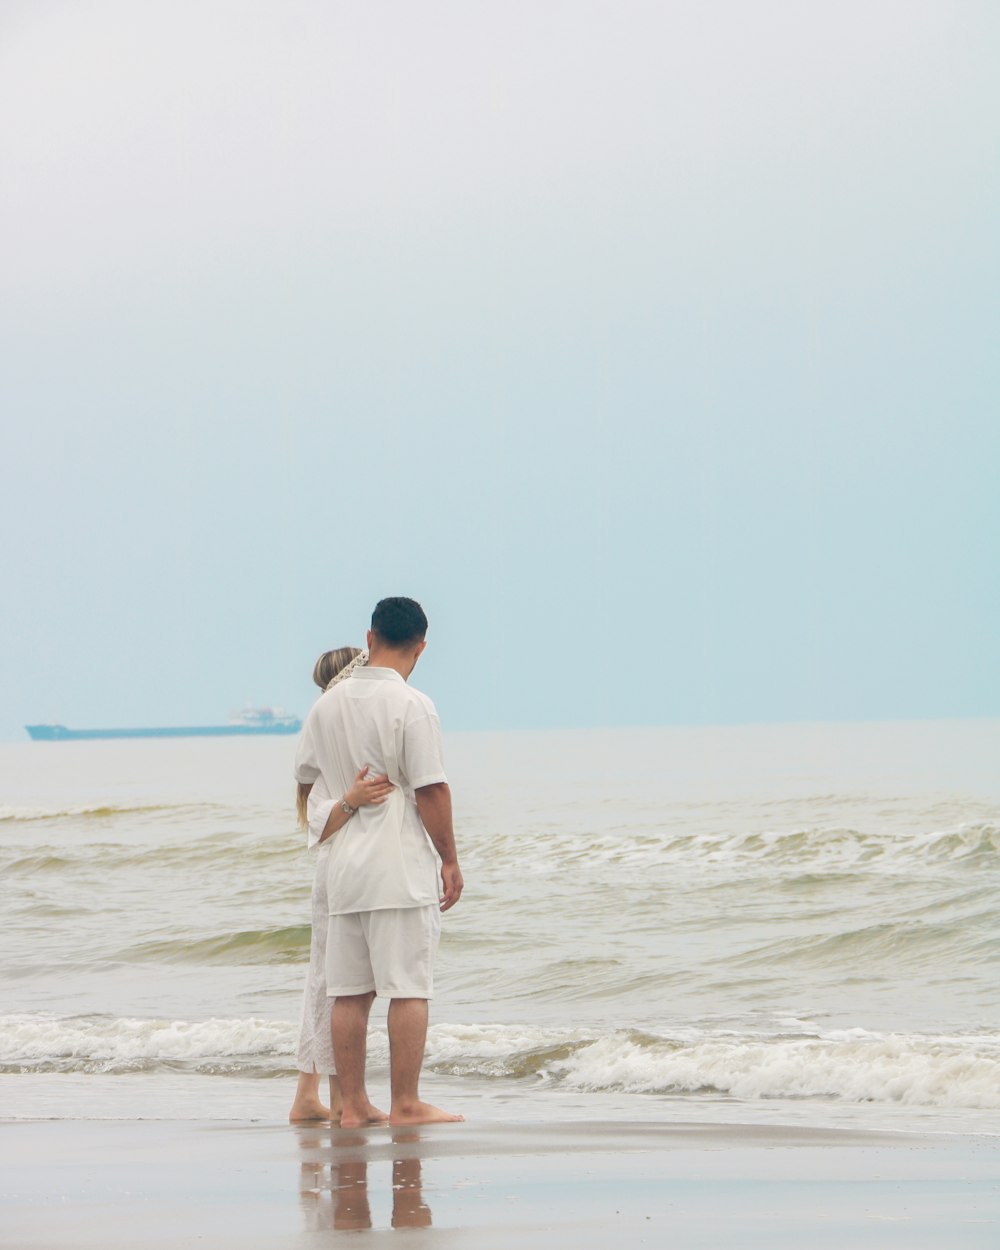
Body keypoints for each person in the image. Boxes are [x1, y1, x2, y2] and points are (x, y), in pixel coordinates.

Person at [294, 596, 465, 1127]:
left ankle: (354, 1107)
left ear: (369, 639)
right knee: (407, 988)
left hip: (344, 870)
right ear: (422, 647)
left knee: (347, 993)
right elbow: (432, 788)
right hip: (397, 867)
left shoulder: (326, 705)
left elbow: (304, 779)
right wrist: (450, 860)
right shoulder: (412, 705)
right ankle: (406, 1104)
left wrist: (346, 798)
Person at [289, 646, 395, 1123]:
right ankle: (327, 1096)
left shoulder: (329, 737)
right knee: (337, 986)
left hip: (344, 871)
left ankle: (316, 1095)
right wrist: (352, 800)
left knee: (331, 984)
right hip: (339, 873)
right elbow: (319, 822)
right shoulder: (329, 740)